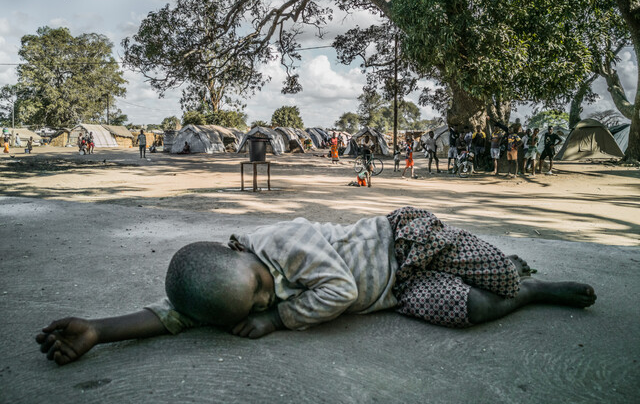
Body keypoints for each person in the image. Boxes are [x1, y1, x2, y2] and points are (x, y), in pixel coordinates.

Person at [35, 207, 597, 366]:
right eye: (259, 302)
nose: (264, 299)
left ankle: (522, 273)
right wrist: (99, 331)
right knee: (472, 308)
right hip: (399, 293)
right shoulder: (224, 286)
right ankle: (530, 295)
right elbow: (171, 315)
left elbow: (341, 293)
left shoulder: (285, 241)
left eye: (259, 289)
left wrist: (278, 319)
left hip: (403, 243)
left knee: (493, 268)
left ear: (242, 253)